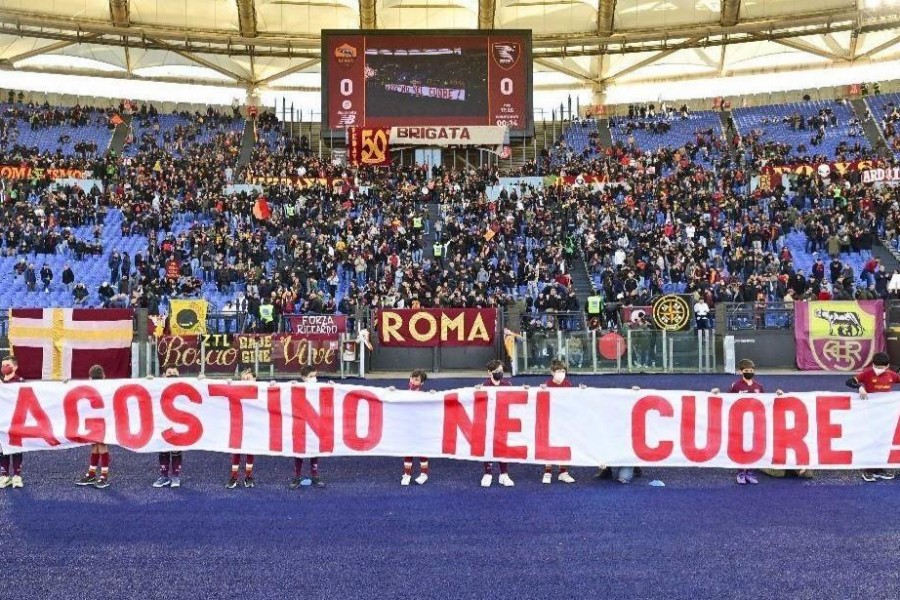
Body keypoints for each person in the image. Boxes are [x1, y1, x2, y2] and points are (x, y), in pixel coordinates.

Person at [711, 359, 783, 485]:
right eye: (747, 371)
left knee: (753, 447)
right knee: (740, 447)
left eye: (751, 371)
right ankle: (740, 472)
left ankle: (749, 472)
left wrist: (778, 395)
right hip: (739, 422)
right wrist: (716, 394)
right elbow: (727, 400)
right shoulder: (736, 386)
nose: (749, 372)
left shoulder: (758, 387)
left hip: (754, 423)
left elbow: (765, 402)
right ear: (741, 371)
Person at [849, 352, 900, 482]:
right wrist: (859, 387)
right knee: (869, 439)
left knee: (883, 439)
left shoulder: (892, 375)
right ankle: (867, 469)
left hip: (886, 414)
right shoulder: (867, 373)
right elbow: (849, 381)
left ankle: (879, 467)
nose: (878, 369)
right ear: (873, 364)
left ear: (888, 366)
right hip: (869, 413)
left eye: (882, 367)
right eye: (876, 366)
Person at [289, 366, 326, 489]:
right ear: (303, 378)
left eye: (315, 376)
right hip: (300, 424)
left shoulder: (318, 388)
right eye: (311, 377)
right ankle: (297, 477)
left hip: (314, 424)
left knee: (314, 450)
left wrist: (333, 386)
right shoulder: (296, 388)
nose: (314, 379)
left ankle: (315, 476)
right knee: (299, 451)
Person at [540, 360, 576, 484]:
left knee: (563, 444)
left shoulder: (568, 384)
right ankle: (547, 471)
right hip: (550, 419)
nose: (561, 374)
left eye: (563, 371)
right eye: (559, 371)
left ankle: (563, 472)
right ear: (552, 373)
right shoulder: (547, 385)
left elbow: (574, 400)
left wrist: (582, 392)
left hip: (563, 420)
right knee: (549, 444)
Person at [479, 360, 514, 488]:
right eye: (497, 371)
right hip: (488, 421)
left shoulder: (507, 385)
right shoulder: (484, 386)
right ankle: (487, 473)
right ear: (489, 372)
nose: (500, 373)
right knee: (488, 446)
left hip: (503, 420)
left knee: (502, 447)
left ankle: (504, 474)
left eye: (501, 370)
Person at [76, 365, 112, 489]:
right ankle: (93, 474)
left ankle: (103, 476)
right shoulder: (109, 387)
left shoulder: (89, 389)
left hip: (96, 420)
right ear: (104, 376)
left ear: (90, 377)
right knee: (97, 445)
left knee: (100, 445)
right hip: (101, 420)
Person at [152, 367, 185, 488]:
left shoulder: (184, 387)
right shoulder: (158, 387)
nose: (171, 375)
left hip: (178, 422)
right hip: (163, 422)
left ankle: (175, 477)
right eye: (169, 373)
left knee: (176, 450)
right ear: (164, 375)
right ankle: (164, 476)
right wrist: (148, 381)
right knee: (163, 448)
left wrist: (200, 381)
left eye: (174, 373)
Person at [227, 368, 258, 488]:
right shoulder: (236, 389)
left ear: (255, 379)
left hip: (252, 425)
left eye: (248, 378)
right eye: (243, 379)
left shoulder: (261, 390)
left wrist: (273, 385)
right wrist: (228, 384)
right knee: (237, 451)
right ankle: (234, 477)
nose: (245, 381)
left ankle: (248, 477)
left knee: (250, 450)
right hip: (238, 425)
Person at [401, 369, 430, 486]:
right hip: (408, 427)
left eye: (417, 380)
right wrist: (390, 394)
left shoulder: (424, 396)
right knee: (408, 450)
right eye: (412, 378)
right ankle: (407, 474)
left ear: (421, 383)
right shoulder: (403, 393)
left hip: (420, 428)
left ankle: (424, 474)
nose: (413, 381)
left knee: (422, 450)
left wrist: (433, 396)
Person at [0, 356, 25, 489]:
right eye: (3, 365)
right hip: (2, 422)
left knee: (16, 449)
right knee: (3, 449)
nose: (4, 367)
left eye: (7, 365)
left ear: (15, 367)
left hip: (16, 421)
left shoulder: (20, 382)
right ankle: (4, 476)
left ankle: (17, 476)